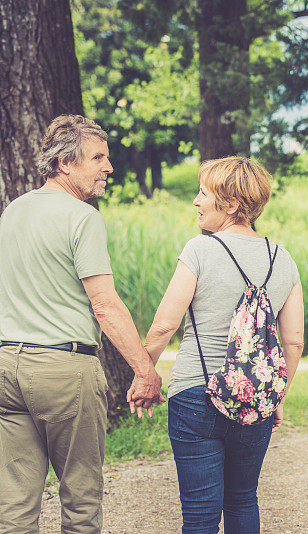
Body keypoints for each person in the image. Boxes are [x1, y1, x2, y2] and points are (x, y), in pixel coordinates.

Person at [0, 114, 164, 533]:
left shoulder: (12, 213)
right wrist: (145, 370)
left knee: (14, 504)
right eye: (98, 158)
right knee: (81, 498)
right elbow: (105, 305)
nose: (108, 167)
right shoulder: (83, 217)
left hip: (7, 368)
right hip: (63, 372)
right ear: (65, 164)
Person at [134, 156, 304, 533]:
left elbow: (164, 326)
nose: (195, 201)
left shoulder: (200, 249)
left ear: (229, 204)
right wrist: (276, 396)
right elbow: (293, 341)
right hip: (254, 400)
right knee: (244, 499)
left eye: (203, 193)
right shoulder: (284, 258)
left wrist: (144, 373)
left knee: (199, 513)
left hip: (196, 394)